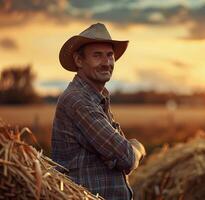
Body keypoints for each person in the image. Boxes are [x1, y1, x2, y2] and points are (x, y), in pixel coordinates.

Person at [51, 23, 146, 200]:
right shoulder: (78, 100)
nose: (106, 63)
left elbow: (122, 161)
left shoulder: (97, 99)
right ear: (79, 60)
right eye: (97, 55)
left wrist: (124, 152)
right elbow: (125, 157)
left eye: (110, 55)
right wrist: (138, 148)